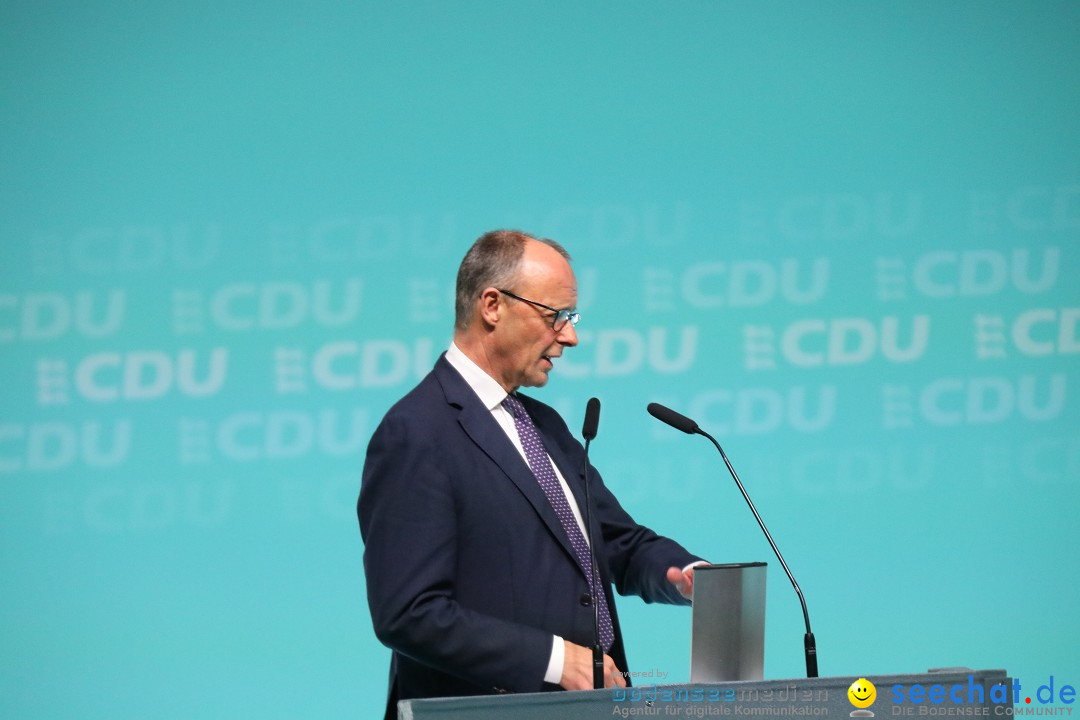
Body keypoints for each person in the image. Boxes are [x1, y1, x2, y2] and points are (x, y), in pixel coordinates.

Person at [358, 229, 703, 719]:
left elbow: (616, 543)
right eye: (554, 316)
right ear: (492, 305)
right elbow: (409, 614)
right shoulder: (417, 432)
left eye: (572, 317)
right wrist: (557, 661)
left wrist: (686, 575)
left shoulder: (542, 423)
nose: (571, 335)